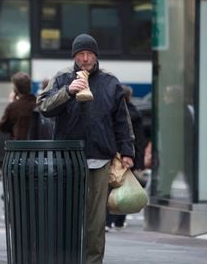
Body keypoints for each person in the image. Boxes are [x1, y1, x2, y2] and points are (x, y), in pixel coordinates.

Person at [36, 34, 135, 264]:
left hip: (100, 160)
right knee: (66, 217)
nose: (85, 58)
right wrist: (68, 92)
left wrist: (127, 151)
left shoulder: (110, 82)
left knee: (95, 222)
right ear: (74, 56)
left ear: (96, 55)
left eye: (89, 53)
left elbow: (122, 120)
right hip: (67, 160)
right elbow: (43, 106)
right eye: (80, 54)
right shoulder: (62, 78)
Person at [106, 85, 145, 231]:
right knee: (125, 187)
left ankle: (109, 220)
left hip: (115, 155)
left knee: (112, 186)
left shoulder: (114, 112)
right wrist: (138, 158)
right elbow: (139, 138)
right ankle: (120, 220)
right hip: (130, 155)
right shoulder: (136, 112)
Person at [0, 72, 36, 140]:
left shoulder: (13, 107)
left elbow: (3, 127)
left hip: (19, 148)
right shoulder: (38, 103)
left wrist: (12, 103)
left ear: (16, 89)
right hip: (38, 148)